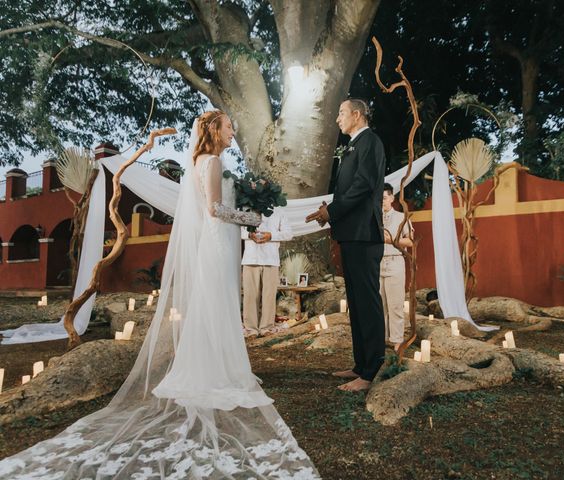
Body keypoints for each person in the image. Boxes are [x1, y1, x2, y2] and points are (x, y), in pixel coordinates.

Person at [0, 111, 319, 478]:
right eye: (230, 127)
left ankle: (212, 365)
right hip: (217, 243)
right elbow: (215, 210)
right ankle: (219, 370)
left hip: (213, 244)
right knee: (216, 304)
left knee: (210, 306)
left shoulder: (199, 161)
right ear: (215, 129)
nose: (234, 132)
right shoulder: (212, 161)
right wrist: (252, 218)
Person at [305, 98, 386, 392]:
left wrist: (332, 211)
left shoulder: (371, 142)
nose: (337, 119)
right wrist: (332, 210)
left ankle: (372, 370)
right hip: (351, 235)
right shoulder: (354, 145)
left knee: (367, 303)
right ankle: (359, 365)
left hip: (365, 236)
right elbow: (349, 189)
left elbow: (364, 185)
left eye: (340, 113)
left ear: (357, 114)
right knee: (356, 303)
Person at [241, 209, 292, 336]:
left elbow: (288, 234)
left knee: (269, 296)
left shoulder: (279, 210)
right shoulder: (246, 208)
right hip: (250, 258)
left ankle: (267, 328)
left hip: (271, 259)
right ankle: (250, 329)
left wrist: (271, 236)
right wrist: (249, 235)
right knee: (249, 296)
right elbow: (237, 231)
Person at [380, 183, 413, 351]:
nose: (382, 202)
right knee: (380, 304)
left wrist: (392, 241)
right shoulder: (374, 217)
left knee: (396, 303)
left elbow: (410, 241)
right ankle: (382, 338)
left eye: (384, 198)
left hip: (395, 261)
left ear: (392, 198)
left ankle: (397, 340)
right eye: (379, 199)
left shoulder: (401, 217)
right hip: (377, 264)